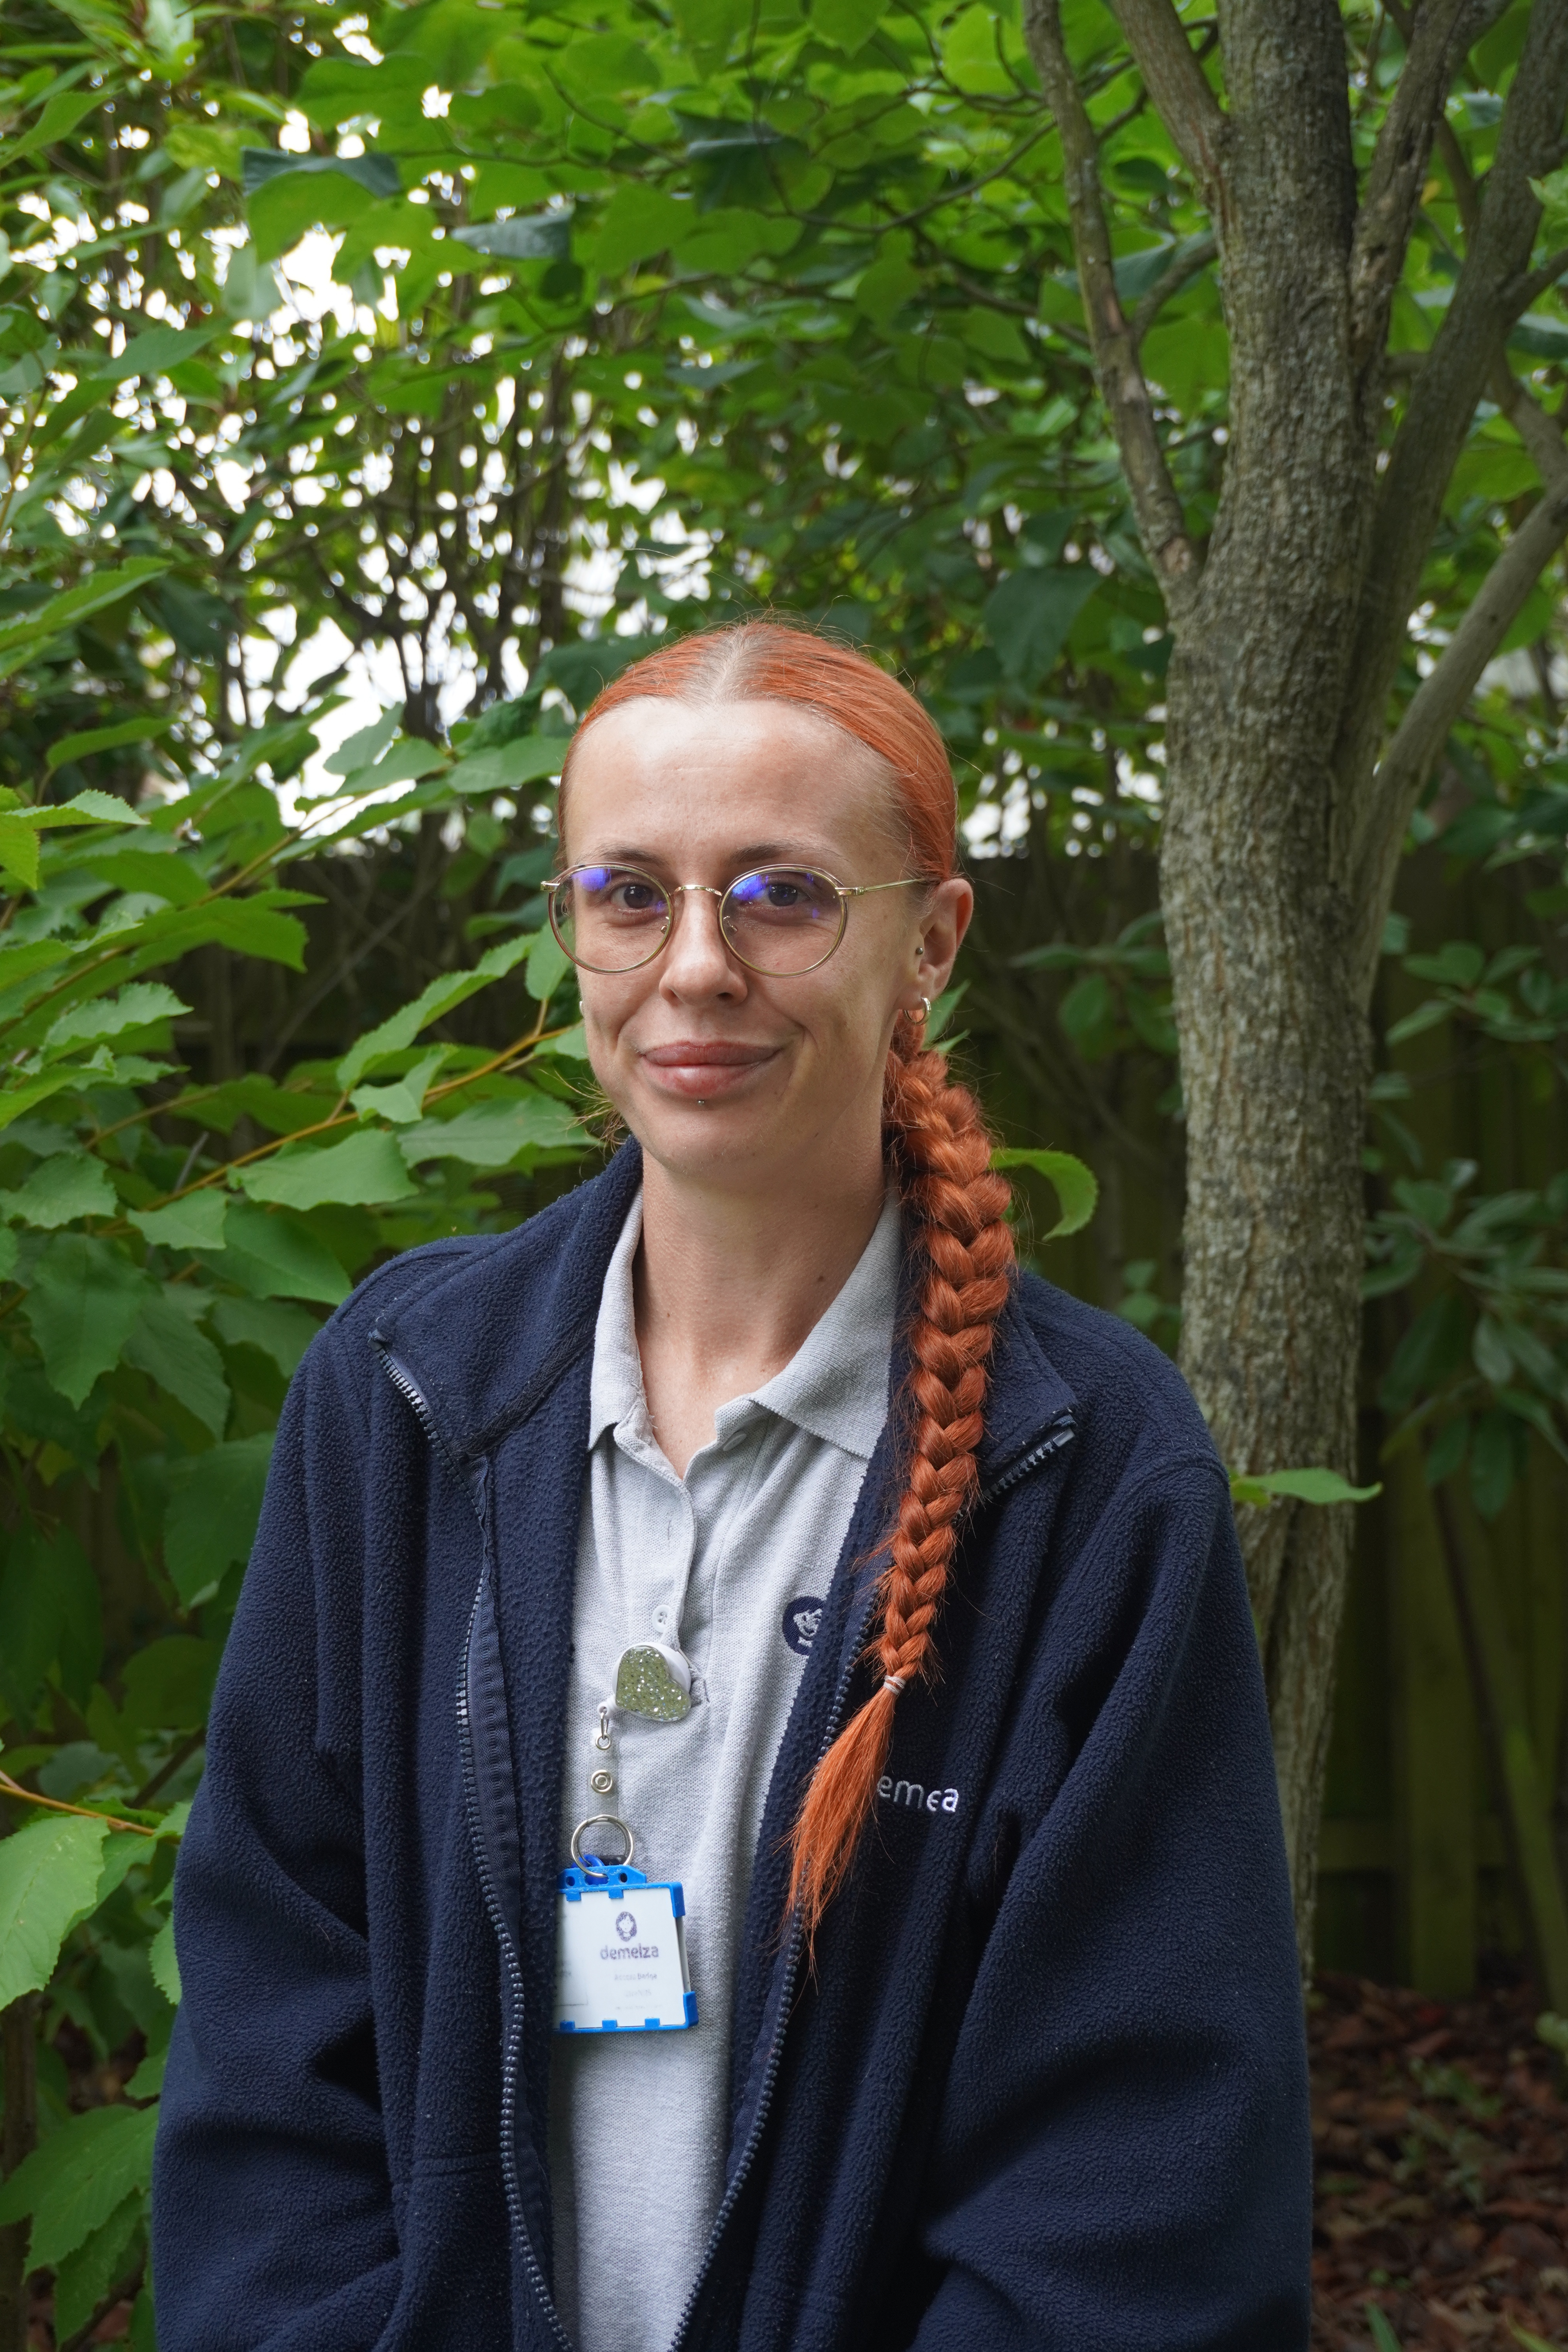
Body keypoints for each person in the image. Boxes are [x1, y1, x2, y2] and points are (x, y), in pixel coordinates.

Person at [152, 621, 1312, 2352]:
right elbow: (273, 2033)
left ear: (928, 942)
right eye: (629, 892)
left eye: (781, 894)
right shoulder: (403, 1401)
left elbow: (1135, 2197)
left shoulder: (1084, 1475)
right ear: (570, 931)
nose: (694, 965)